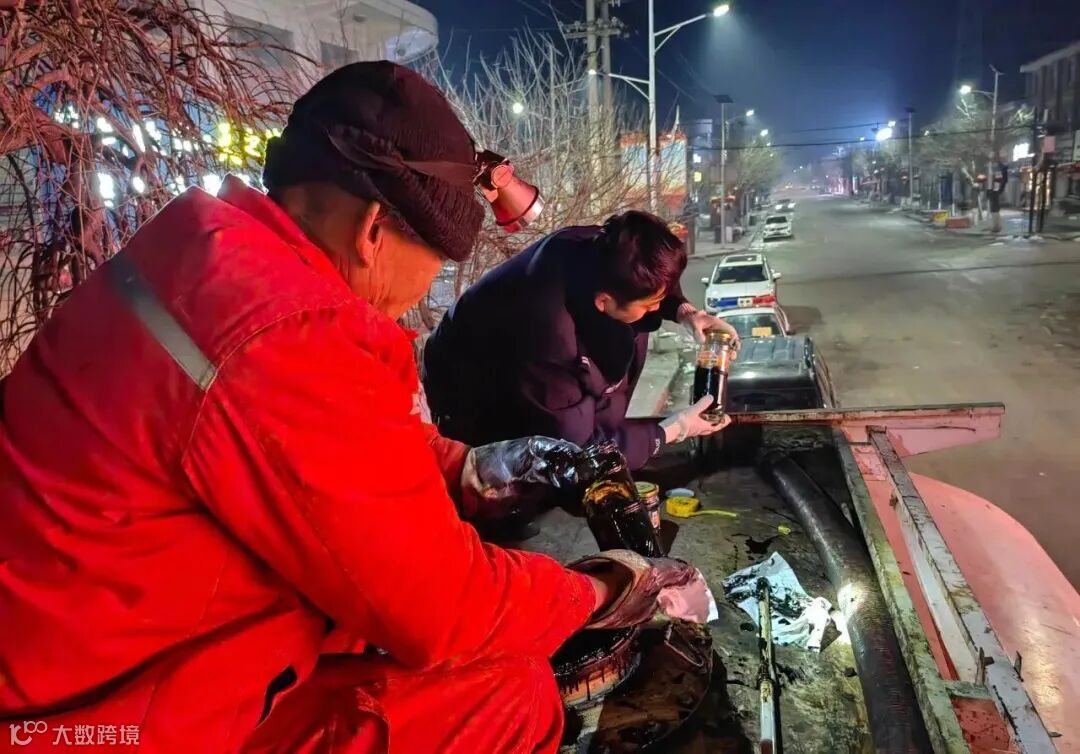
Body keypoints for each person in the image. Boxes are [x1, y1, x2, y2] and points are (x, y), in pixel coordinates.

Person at [0, 62, 710, 753]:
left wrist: (470, 468)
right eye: (434, 265)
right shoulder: (285, 333)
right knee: (505, 697)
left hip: (95, 660)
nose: (423, 292)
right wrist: (606, 587)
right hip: (103, 721)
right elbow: (443, 605)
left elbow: (332, 446)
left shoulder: (203, 255)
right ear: (374, 230)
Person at [423, 212, 739, 472]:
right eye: (649, 305)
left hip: (537, 347)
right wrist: (672, 430)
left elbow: (652, 281)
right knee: (534, 471)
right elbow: (578, 447)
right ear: (604, 301)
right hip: (472, 388)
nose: (657, 309)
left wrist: (687, 313)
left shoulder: (606, 247)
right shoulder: (550, 339)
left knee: (608, 445)